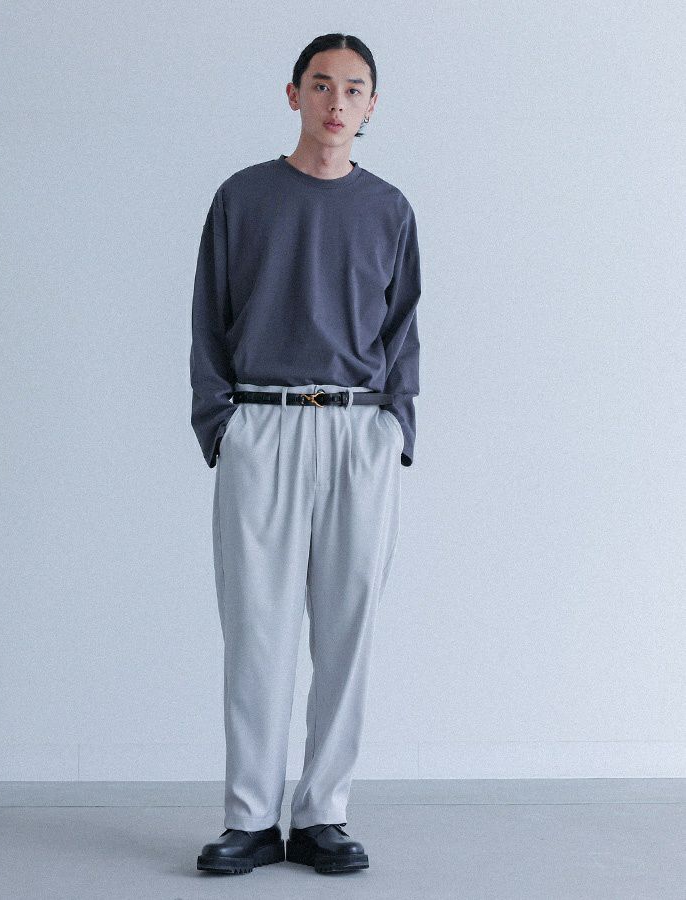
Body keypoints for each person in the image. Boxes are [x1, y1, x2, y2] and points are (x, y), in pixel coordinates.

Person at [190, 32, 421, 876]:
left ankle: (324, 814)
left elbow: (404, 328)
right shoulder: (243, 198)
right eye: (321, 85)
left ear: (371, 106)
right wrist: (221, 424)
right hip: (263, 421)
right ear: (294, 95)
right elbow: (208, 317)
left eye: (353, 88)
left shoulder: (389, 208)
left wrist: (396, 427)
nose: (336, 102)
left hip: (358, 427)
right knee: (257, 629)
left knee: (349, 628)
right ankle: (250, 818)